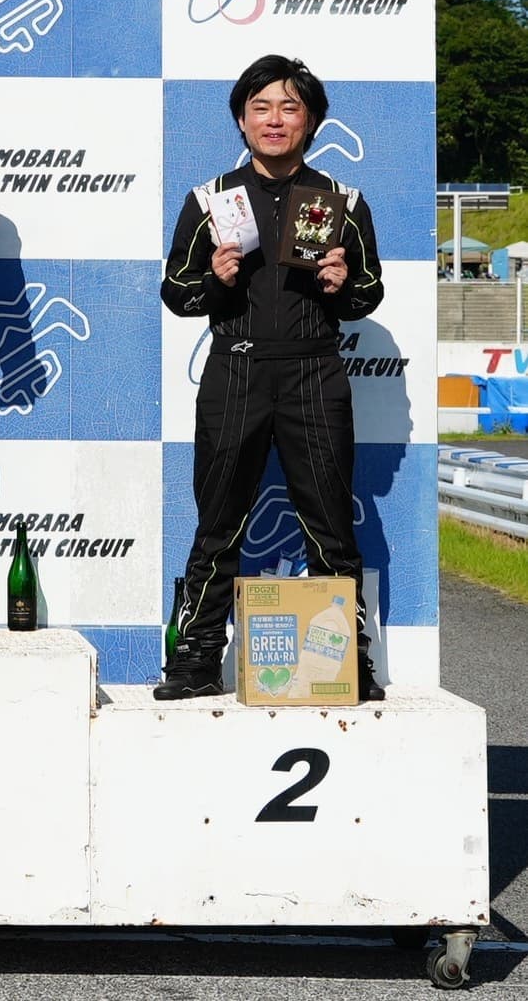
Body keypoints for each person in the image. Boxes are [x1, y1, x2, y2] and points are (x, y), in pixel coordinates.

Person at [158, 54, 384, 701]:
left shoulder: (343, 201)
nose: (275, 119)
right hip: (235, 368)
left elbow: (370, 290)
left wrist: (342, 285)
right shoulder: (210, 200)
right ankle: (196, 660)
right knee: (217, 522)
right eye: (261, 107)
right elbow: (175, 291)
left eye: (289, 107)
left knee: (331, 526)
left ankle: (346, 662)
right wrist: (214, 280)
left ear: (311, 120)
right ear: (241, 118)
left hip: (315, 369)